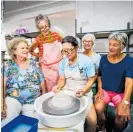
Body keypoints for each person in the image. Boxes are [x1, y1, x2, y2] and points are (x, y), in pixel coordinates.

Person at [53, 36, 96, 132]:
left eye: (70, 50)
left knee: (92, 121)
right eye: (65, 51)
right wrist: (59, 87)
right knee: (62, 116)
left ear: (77, 48)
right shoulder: (63, 63)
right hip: (67, 89)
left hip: (84, 90)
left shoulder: (86, 61)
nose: (68, 53)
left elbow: (91, 79)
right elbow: (62, 79)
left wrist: (84, 90)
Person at [1, 37, 46, 127]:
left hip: (32, 100)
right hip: (13, 98)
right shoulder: (7, 65)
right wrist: (1, 104)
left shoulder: (34, 64)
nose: (26, 50)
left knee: (32, 125)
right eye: (22, 48)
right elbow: (2, 86)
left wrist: (43, 99)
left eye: (27, 47)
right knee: (7, 122)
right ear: (14, 51)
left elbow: (42, 82)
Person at [94, 32, 133, 132]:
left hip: (120, 93)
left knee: (121, 115)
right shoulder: (103, 59)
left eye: (115, 45)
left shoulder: (129, 61)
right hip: (105, 91)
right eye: (110, 44)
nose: (110, 47)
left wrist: (125, 101)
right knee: (98, 108)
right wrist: (99, 89)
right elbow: (99, 76)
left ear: (122, 47)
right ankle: (102, 127)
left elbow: (129, 83)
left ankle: (116, 130)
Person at [29, 14, 63, 92]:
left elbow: (66, 43)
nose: (45, 29)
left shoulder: (56, 35)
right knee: (50, 87)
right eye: (42, 27)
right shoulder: (38, 39)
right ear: (38, 28)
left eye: (46, 26)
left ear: (49, 25)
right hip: (47, 68)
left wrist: (62, 53)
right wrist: (39, 56)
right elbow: (30, 50)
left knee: (61, 84)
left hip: (59, 64)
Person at [82, 33, 101, 131]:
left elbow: (97, 73)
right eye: (85, 41)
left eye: (89, 41)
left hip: (91, 86)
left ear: (93, 43)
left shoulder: (97, 57)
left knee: (90, 108)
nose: (87, 43)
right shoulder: (79, 55)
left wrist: (88, 86)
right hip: (80, 84)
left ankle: (94, 124)